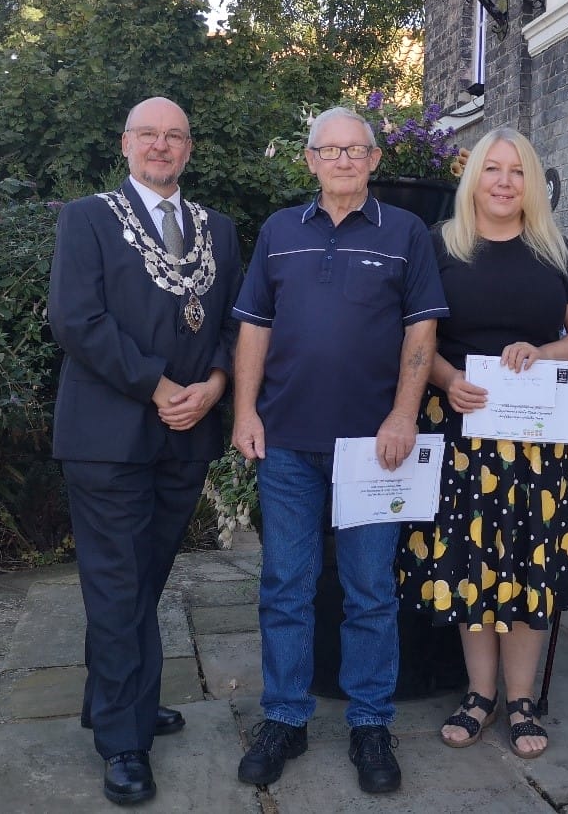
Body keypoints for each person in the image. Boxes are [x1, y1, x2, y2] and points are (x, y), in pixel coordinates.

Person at [231, 107, 447, 794]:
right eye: (330, 150)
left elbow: (420, 334)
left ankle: (369, 724)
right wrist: (243, 411)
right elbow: (254, 329)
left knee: (370, 593)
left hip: (372, 449)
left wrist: (403, 416)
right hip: (287, 441)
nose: (344, 160)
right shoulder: (278, 232)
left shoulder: (406, 232)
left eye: (357, 149)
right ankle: (285, 718)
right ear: (310, 160)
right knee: (286, 588)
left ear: (375, 160)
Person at [49, 96, 242, 805]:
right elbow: (75, 319)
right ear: (125, 144)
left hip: (187, 433)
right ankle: (123, 742)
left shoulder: (217, 230)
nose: (161, 147)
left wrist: (216, 384)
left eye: (174, 136)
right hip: (108, 437)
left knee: (143, 581)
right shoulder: (87, 217)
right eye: (148, 135)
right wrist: (158, 385)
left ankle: (112, 701)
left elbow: (233, 321)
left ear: (189, 149)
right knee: (120, 588)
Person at [397, 127, 568, 759]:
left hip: (536, 442)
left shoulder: (553, 249)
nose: (505, 182)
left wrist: (542, 352)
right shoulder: (440, 246)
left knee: (527, 569)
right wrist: (450, 379)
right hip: (462, 431)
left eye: (518, 171)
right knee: (471, 568)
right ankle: (478, 693)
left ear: (531, 182)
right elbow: (416, 338)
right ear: (474, 178)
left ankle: (521, 699)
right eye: (494, 169)